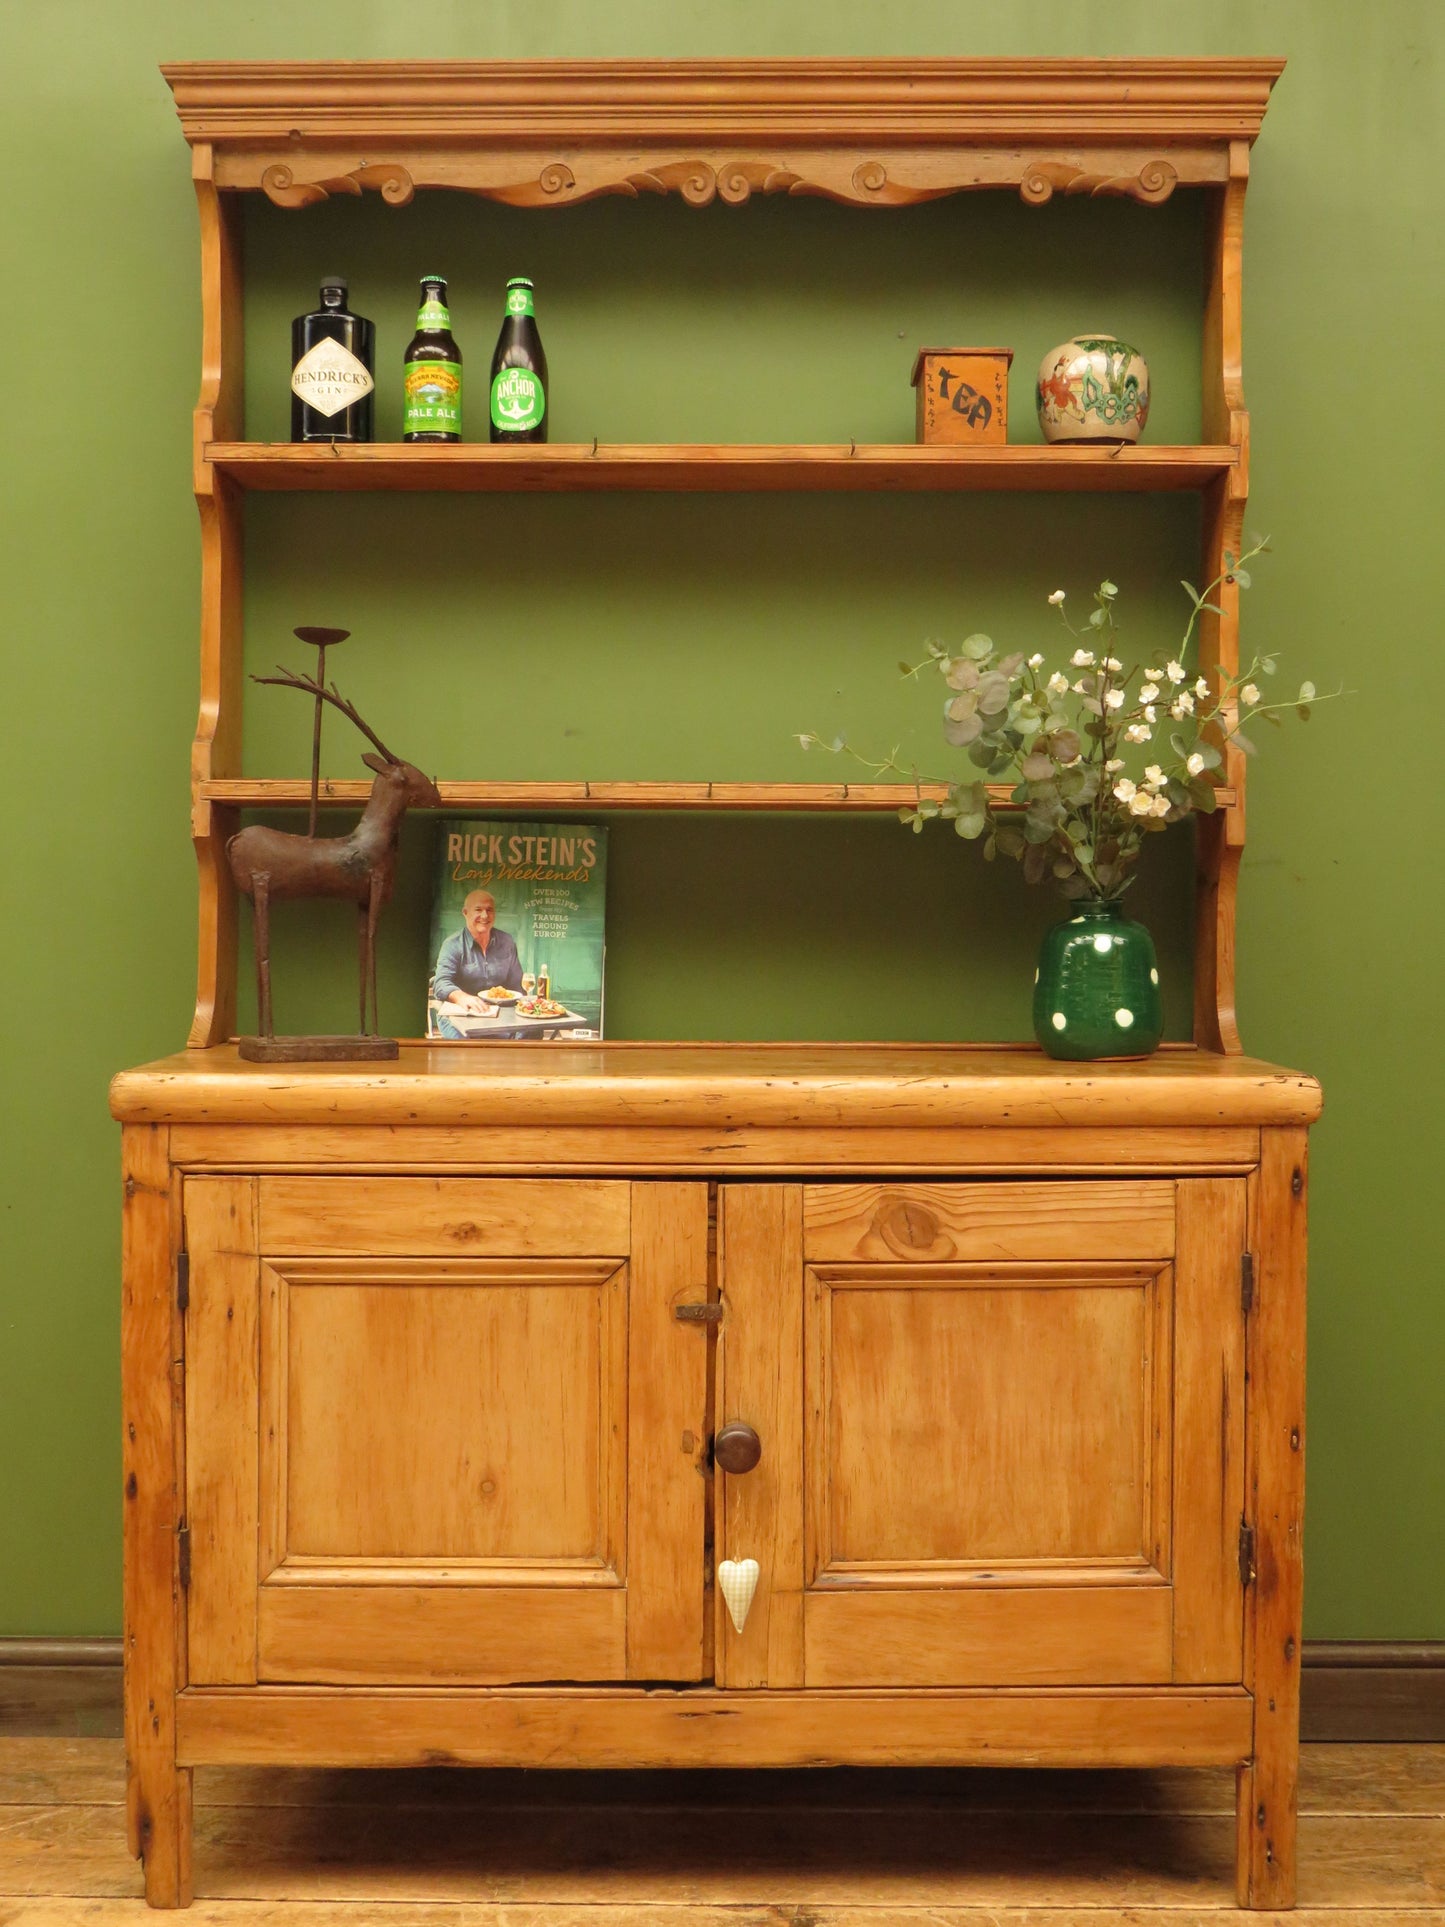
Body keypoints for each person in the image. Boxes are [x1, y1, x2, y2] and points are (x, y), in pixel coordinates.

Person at [431, 890, 523, 1037]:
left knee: (528, 1035)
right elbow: (441, 983)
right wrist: (462, 997)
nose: (485, 916)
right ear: (465, 912)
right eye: (478, 910)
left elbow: (515, 985)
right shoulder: (452, 945)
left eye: (489, 910)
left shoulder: (507, 942)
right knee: (466, 1051)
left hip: (499, 1014)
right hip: (459, 1014)